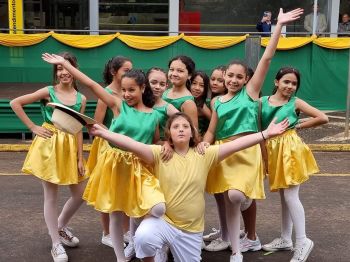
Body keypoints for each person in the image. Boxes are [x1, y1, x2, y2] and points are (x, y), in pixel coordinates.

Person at [87, 112, 288, 262]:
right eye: (176, 126)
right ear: (169, 134)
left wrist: (265, 134)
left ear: (193, 132)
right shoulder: (159, 154)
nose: (181, 129)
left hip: (191, 230)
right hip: (163, 223)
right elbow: (131, 144)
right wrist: (103, 133)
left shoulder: (205, 155)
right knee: (143, 236)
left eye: (185, 126)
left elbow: (238, 144)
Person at [200, 8, 303, 261]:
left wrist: (277, 26)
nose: (234, 80)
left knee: (236, 196)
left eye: (239, 77)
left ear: (247, 79)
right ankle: (236, 245)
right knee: (225, 197)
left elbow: (267, 58)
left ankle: (246, 230)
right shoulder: (217, 103)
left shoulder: (250, 94)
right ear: (224, 77)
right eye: (230, 76)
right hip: (224, 153)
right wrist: (204, 143)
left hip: (248, 150)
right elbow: (212, 130)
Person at [42, 53, 166, 262]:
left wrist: (167, 146)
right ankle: (120, 258)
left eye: (131, 90)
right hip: (115, 164)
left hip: (140, 168)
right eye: (124, 90)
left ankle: (144, 243)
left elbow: (154, 142)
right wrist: (65, 64)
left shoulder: (154, 115)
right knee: (116, 213)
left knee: (153, 207)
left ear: (143, 88)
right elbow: (90, 84)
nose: (126, 94)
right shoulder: (118, 105)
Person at [10, 52, 88, 262]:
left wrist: (81, 158)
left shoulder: (81, 99)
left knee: (81, 193)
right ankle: (55, 243)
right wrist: (33, 127)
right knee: (51, 196)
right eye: (59, 69)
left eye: (66, 68)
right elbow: (15, 103)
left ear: (74, 70)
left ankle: (60, 226)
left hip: (71, 147)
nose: (63, 72)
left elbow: (78, 129)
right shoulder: (48, 91)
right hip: (50, 146)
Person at [261, 67, 328, 262]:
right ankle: (285, 238)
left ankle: (302, 240)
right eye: (286, 82)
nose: (290, 86)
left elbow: (323, 118)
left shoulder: (295, 102)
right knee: (284, 195)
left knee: (290, 195)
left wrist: (297, 125)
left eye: (294, 84)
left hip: (290, 149)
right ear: (276, 82)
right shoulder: (262, 102)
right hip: (273, 150)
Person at [85, 56, 132, 249]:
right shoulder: (107, 93)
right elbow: (96, 122)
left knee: (126, 189)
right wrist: (115, 135)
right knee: (107, 191)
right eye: (126, 70)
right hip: (107, 145)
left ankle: (126, 231)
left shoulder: (129, 91)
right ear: (114, 72)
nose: (129, 73)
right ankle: (107, 233)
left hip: (126, 146)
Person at [162, 55, 198, 129]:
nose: (174, 74)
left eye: (180, 71)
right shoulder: (164, 92)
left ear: (189, 75)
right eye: (171, 69)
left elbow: (194, 131)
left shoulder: (188, 103)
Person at [190, 71, 211, 136]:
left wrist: (203, 107)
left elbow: (215, 124)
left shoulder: (208, 104)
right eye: (194, 83)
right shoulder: (182, 101)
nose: (197, 88)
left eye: (202, 86)